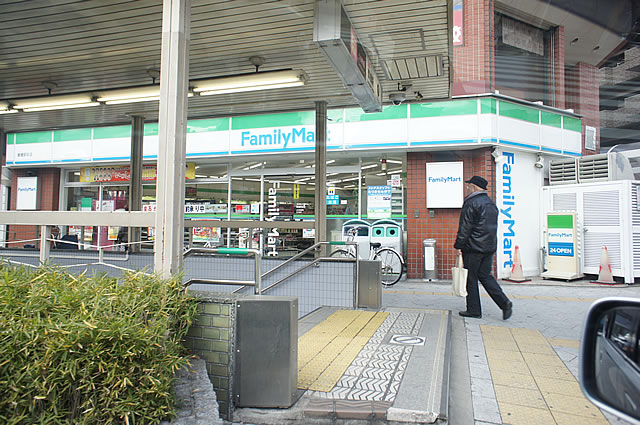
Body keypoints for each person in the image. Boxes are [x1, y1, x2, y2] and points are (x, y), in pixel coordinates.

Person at [454, 175, 512, 320]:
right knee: (485, 276)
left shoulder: (471, 203)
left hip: (473, 248)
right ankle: (504, 303)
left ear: (473, 186)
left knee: (471, 278)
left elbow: (465, 227)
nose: (467, 188)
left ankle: (474, 310)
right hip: (489, 247)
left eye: (469, 185)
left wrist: (459, 245)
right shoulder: (491, 203)